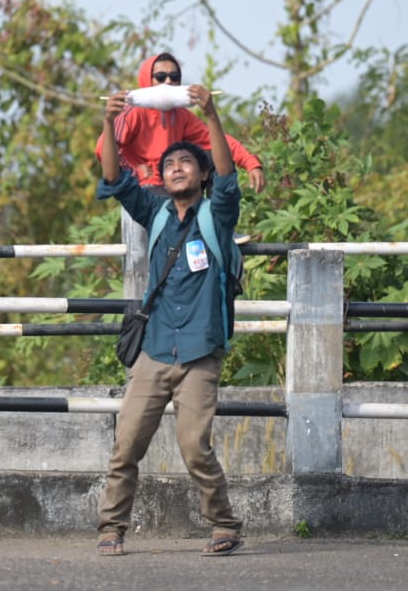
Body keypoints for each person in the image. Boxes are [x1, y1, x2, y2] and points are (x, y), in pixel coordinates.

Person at [94, 82, 245, 558]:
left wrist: (212, 116)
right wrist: (109, 123)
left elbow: (227, 174)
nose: (176, 168)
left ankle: (224, 525)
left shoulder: (215, 215)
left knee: (195, 447)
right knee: (126, 448)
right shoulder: (155, 211)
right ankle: (111, 527)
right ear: (161, 178)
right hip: (155, 350)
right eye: (169, 165)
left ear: (200, 175)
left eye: (186, 163)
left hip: (200, 350)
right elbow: (115, 177)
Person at [95, 53, 266, 194]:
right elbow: (102, 150)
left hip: (173, 181)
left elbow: (219, 141)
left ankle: (218, 222)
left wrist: (251, 163)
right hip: (145, 187)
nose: (168, 82)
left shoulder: (182, 115)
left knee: (213, 156)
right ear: (147, 80)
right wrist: (134, 171)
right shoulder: (132, 113)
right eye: (160, 77)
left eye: (174, 76)